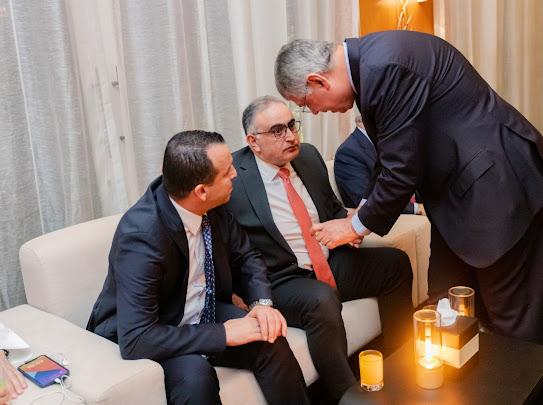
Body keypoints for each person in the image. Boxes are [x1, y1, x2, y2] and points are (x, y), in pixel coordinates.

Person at [274, 31, 543, 343]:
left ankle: (518, 373)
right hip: (459, 197)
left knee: (511, 318)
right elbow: (390, 154)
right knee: (447, 305)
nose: (315, 112)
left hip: (495, 188)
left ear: (318, 81)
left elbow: (401, 169)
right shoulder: (370, 68)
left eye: (306, 104)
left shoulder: (385, 67)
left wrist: (355, 227)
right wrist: (361, 212)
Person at [87, 131, 309, 405]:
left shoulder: (210, 205)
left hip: (202, 308)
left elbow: (246, 256)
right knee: (196, 378)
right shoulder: (142, 236)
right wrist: (224, 334)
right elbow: (136, 338)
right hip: (158, 327)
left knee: (268, 337)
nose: (235, 175)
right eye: (227, 172)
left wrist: (261, 304)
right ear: (201, 191)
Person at [226, 96, 413, 400]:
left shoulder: (308, 156)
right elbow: (222, 245)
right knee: (320, 299)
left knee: (395, 264)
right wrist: (234, 292)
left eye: (291, 125)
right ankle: (347, 396)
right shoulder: (233, 177)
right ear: (253, 141)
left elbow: (333, 209)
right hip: (280, 278)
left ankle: (400, 365)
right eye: (277, 131)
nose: (291, 136)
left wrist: (348, 230)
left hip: (328, 260)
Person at [335, 115, 424, 215]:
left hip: (408, 206)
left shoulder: (385, 142)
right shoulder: (348, 152)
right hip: (384, 218)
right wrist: (416, 208)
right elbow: (366, 202)